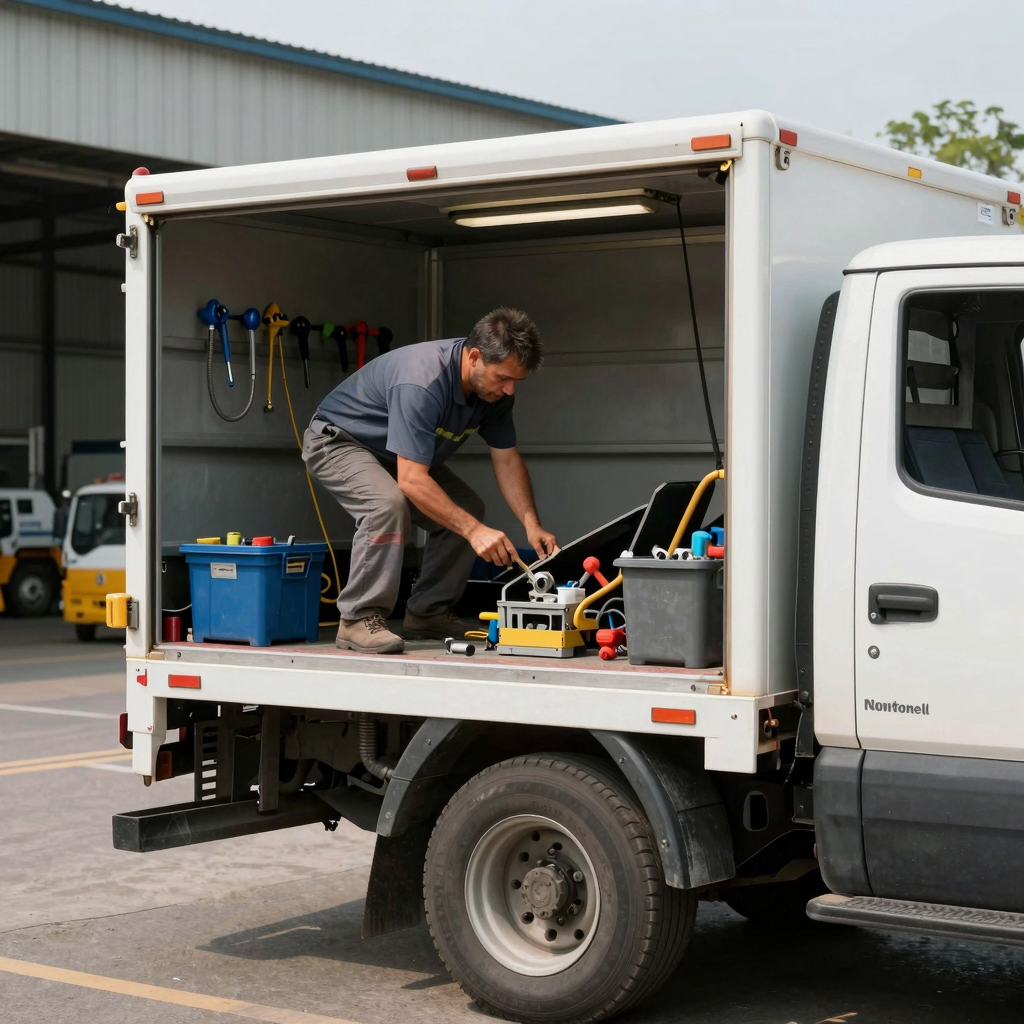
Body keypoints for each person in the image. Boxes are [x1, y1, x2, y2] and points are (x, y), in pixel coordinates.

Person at [303, 307, 557, 654]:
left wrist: (531, 524)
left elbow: (507, 459)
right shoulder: (422, 381)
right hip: (341, 441)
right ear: (474, 357)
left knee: (467, 507)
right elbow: (411, 480)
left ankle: (427, 612)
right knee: (386, 505)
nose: (510, 390)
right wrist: (474, 532)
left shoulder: (493, 393)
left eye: (516, 381)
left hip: (397, 453)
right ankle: (358, 619)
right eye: (503, 378)